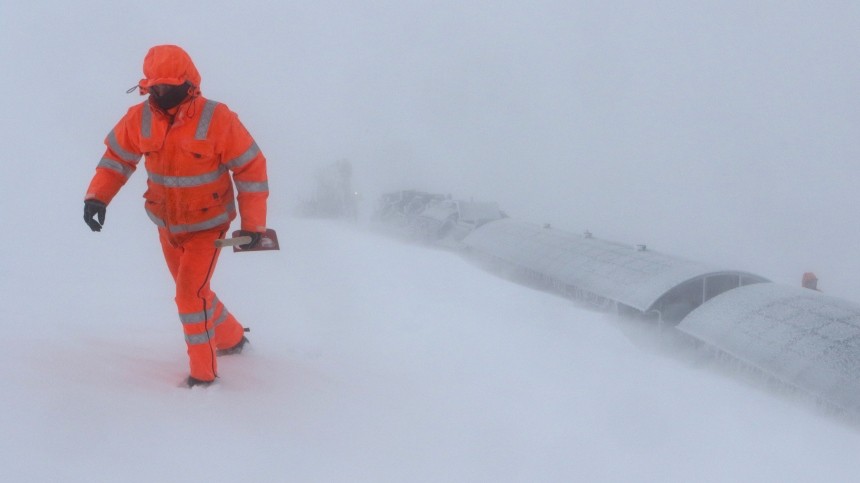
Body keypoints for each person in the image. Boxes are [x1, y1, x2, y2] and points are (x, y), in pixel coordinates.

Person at [83, 45, 270, 387]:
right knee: (196, 291)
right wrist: (97, 197)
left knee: (188, 296)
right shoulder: (139, 119)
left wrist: (253, 226)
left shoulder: (218, 118)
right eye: (155, 87)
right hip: (166, 225)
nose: (161, 93)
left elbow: (250, 168)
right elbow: (117, 159)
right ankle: (231, 338)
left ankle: (203, 376)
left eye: (169, 86)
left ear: (189, 83)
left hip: (209, 227)